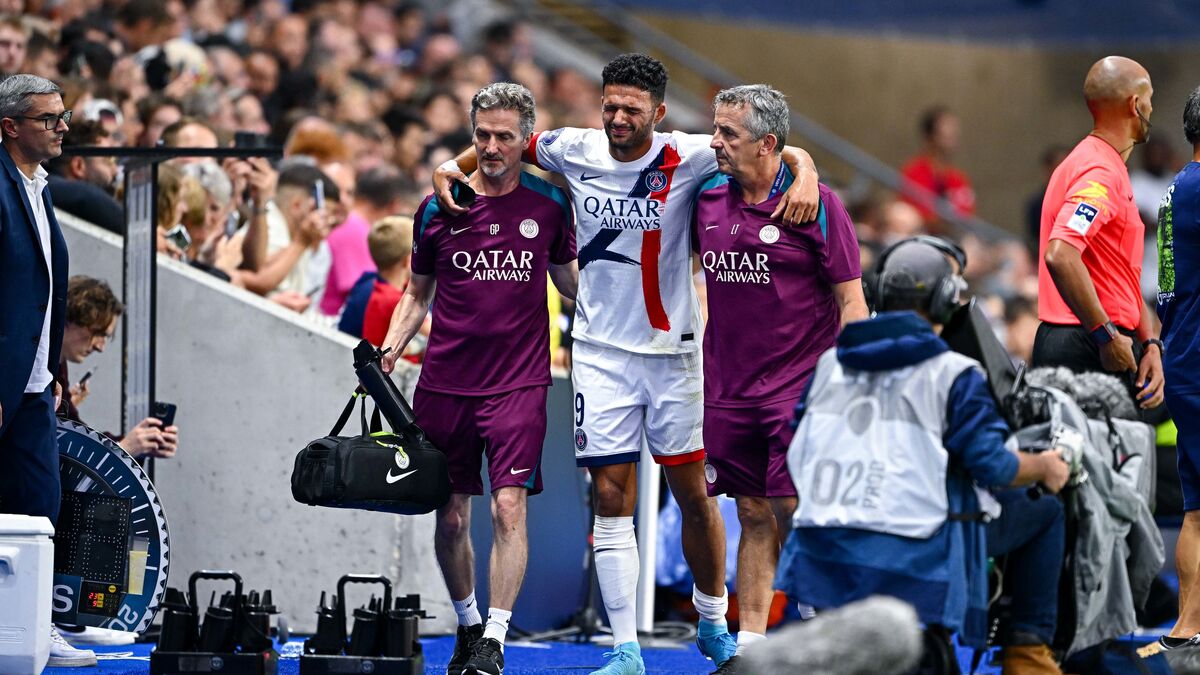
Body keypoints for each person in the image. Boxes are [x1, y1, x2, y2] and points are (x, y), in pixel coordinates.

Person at [433, 53, 823, 675]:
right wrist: (448, 166)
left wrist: (803, 170)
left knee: (694, 496)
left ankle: (713, 620)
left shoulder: (691, 154)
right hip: (601, 353)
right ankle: (625, 650)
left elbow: (775, 149)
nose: (616, 118)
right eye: (609, 105)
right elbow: (499, 144)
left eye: (631, 110)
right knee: (610, 495)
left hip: (675, 358)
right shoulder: (570, 148)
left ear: (659, 114)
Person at [778, 238, 1071, 675]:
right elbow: (995, 467)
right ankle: (1026, 655)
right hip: (913, 562)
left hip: (819, 558)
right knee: (1045, 509)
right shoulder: (952, 374)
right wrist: (1046, 465)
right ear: (946, 300)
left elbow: (796, 449)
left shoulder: (827, 366)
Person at [380, 82, 578, 675]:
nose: (492, 147)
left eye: (504, 137)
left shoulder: (548, 207)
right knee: (451, 517)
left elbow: (572, 285)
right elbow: (417, 294)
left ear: (526, 142)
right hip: (444, 384)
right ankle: (468, 624)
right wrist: (389, 349)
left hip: (518, 384)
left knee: (509, 508)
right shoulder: (437, 207)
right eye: (483, 136)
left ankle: (494, 639)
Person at [692, 84, 868, 673]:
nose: (715, 142)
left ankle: (827, 624)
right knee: (750, 512)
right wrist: (803, 160)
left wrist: (853, 382)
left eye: (728, 134)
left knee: (794, 507)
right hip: (727, 390)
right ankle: (752, 649)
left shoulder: (817, 206)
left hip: (800, 389)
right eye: (715, 130)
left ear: (768, 144)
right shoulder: (707, 196)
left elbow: (851, 303)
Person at [0, 73, 96, 668]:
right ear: (9, 127)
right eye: (49, 119)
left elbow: (47, 290)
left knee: (39, 504)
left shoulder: (41, 187)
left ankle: (34, 625)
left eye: (64, 116)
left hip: (33, 381)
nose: (63, 127)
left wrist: (55, 367)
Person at [1034, 56, 1165, 411]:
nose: (1152, 107)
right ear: (1135, 104)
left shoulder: (1097, 163)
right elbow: (1060, 253)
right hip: (1086, 348)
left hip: (1090, 341)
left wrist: (1151, 343)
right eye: (1149, 98)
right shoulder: (1100, 173)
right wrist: (1105, 334)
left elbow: (1120, 276)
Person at [1154, 85, 1200, 653]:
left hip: (1184, 351)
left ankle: (1188, 629)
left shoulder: (1177, 188)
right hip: (1197, 354)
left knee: (1196, 507)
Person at [57, 276, 180, 460]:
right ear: (72, 318)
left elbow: (75, 436)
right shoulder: (41, 364)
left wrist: (138, 445)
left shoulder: (58, 364)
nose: (100, 347)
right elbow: (63, 450)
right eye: (98, 333)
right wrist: (124, 447)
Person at [45, 119, 124, 235]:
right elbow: (88, 196)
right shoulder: (43, 186)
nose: (116, 171)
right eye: (108, 161)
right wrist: (138, 231)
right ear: (78, 166)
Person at [900, 106, 976, 226]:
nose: (953, 135)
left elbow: (967, 217)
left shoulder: (958, 177)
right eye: (946, 132)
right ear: (930, 136)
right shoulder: (914, 171)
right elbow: (915, 217)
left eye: (954, 132)